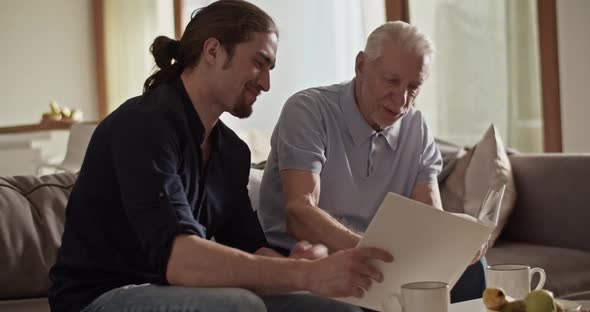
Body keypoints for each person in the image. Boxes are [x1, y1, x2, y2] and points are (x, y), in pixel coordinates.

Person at [48, 1, 393, 312]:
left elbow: (250, 248)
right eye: (260, 63)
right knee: (237, 306)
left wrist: (297, 261)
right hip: (101, 296)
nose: (267, 84)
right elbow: (180, 259)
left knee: (333, 310)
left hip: (172, 289)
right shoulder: (142, 125)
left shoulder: (231, 151)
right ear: (213, 50)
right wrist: (303, 273)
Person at [257, 20, 487, 304]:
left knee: (474, 271)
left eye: (414, 87)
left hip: (381, 264)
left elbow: (429, 220)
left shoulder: (417, 128)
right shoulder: (308, 110)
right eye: (391, 81)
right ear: (361, 66)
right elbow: (299, 213)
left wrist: (459, 240)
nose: (402, 99)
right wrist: (370, 255)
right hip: (303, 259)